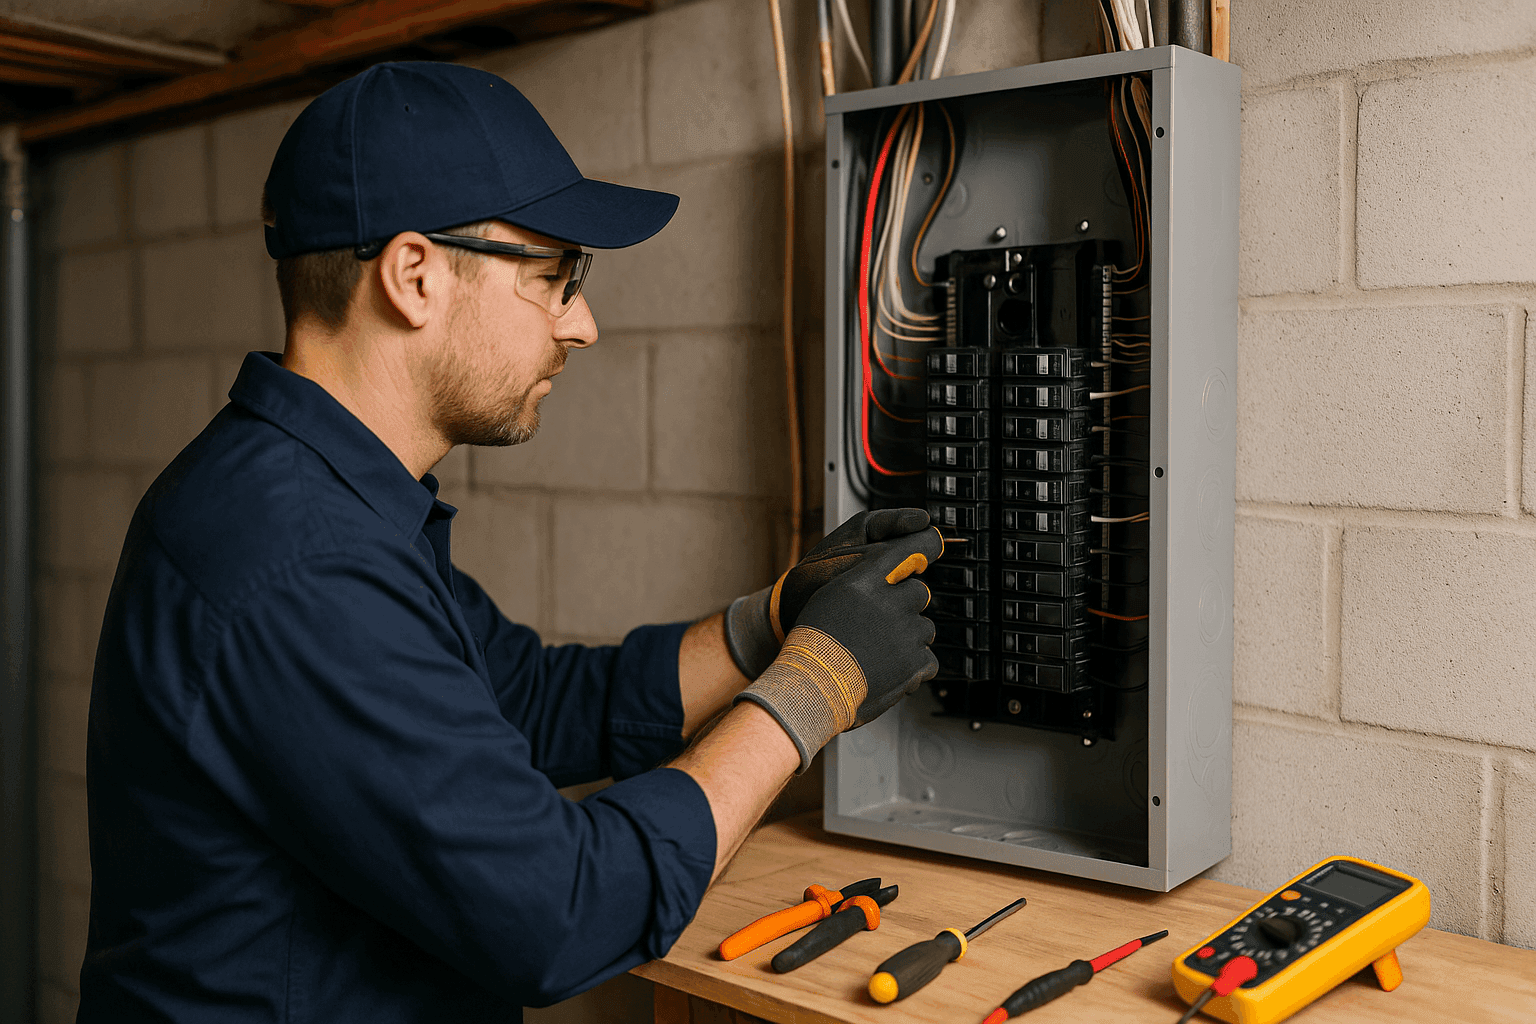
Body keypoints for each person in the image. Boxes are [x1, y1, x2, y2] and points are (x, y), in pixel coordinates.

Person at [79, 61, 941, 1023]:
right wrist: (814, 687)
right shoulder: (297, 557)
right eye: (552, 276)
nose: (583, 324)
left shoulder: (323, 496)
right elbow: (561, 913)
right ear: (414, 276)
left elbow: (523, 700)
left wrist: (774, 620)